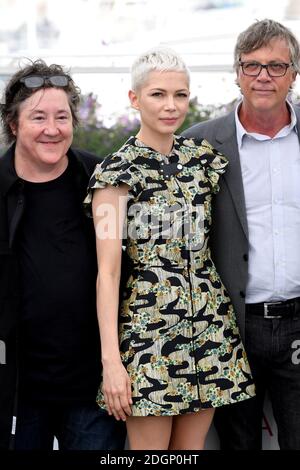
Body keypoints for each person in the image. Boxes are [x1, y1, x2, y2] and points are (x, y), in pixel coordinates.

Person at [85, 46, 255, 451]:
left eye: (180, 94)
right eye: (158, 94)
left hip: (211, 328)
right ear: (134, 98)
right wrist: (112, 361)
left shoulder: (203, 161)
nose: (171, 105)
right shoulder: (116, 173)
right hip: (149, 335)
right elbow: (107, 273)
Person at [183, 18, 300, 450]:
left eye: (276, 66)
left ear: (294, 72)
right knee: (237, 444)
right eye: (251, 66)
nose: (263, 77)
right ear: (236, 73)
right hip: (231, 327)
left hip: (298, 322)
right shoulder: (199, 145)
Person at [0, 60, 126, 450]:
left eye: (62, 117)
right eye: (38, 117)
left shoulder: (101, 180)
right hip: (19, 393)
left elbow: (128, 270)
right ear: (14, 124)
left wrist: (116, 363)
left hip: (92, 389)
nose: (52, 129)